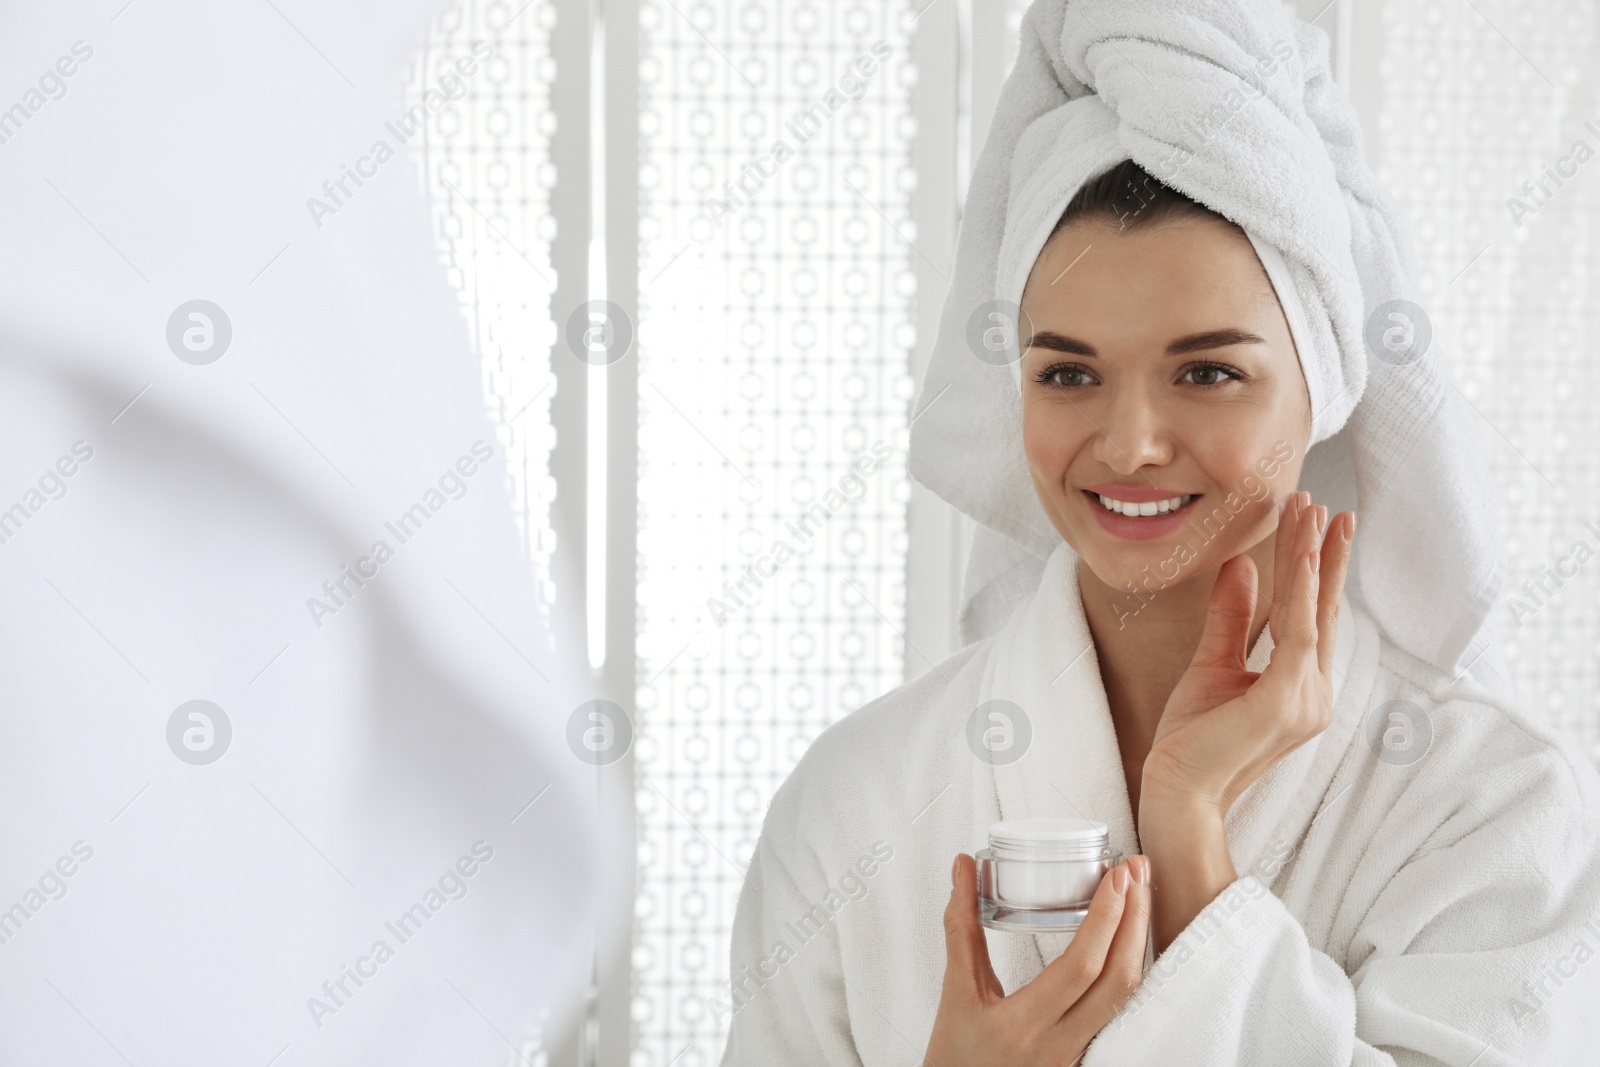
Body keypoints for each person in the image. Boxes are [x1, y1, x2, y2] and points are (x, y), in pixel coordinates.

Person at [718, 1, 1600, 1064]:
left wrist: (1189, 839)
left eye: (1208, 371)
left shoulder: (1489, 801)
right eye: (1068, 372)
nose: (1128, 442)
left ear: (1319, 388)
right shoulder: (859, 797)